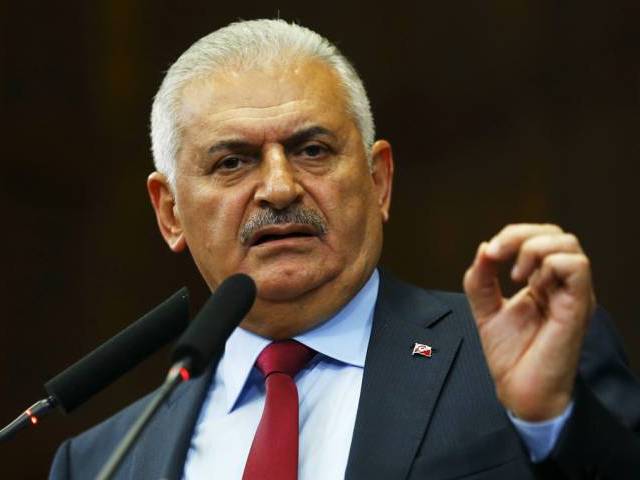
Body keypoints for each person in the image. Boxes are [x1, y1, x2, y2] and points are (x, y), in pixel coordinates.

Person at [49, 19, 640, 479]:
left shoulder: (520, 349)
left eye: (312, 150)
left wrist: (551, 426)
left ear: (379, 181)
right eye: (233, 162)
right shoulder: (100, 462)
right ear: (170, 212)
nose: (279, 188)